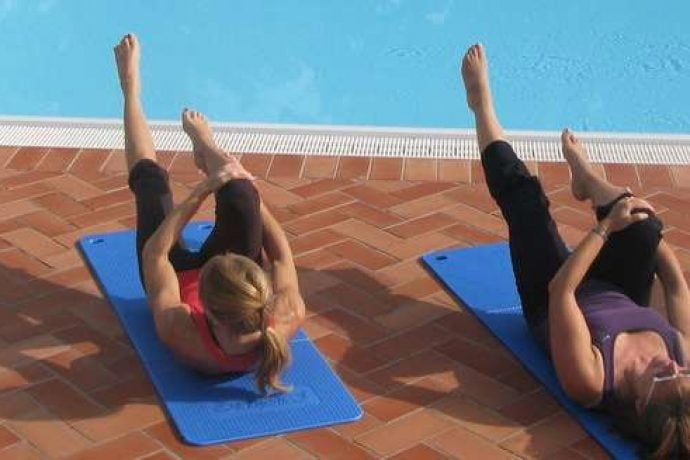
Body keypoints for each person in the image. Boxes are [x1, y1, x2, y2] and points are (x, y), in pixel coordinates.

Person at [460, 43, 690, 457]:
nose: (674, 366)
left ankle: (481, 106)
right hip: (615, 286)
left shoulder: (592, 380)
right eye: (682, 372)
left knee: (526, 201)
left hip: (549, 294)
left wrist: (606, 227)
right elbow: (674, 283)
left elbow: (561, 292)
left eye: (664, 377)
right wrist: (643, 226)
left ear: (639, 403)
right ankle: (587, 179)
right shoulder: (680, 360)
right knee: (644, 224)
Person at [113, 33, 305, 394]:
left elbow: (154, 253)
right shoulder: (287, 313)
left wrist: (201, 192)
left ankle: (130, 89)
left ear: (207, 312)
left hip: (170, 269)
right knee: (243, 195)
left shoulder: (180, 330)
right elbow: (280, 252)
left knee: (151, 185)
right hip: (229, 294)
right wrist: (239, 183)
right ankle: (207, 147)